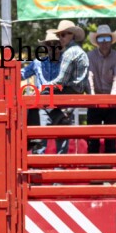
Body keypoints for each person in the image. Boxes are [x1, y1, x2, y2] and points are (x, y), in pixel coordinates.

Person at [41, 20, 89, 154]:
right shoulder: (80, 51)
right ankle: (61, 116)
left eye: (63, 35)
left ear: (72, 35)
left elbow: (61, 81)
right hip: (77, 91)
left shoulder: (69, 53)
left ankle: (59, 115)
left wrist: (44, 87)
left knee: (41, 97)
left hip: (69, 90)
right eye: (59, 35)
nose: (60, 38)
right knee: (62, 128)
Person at [21, 30, 62, 154]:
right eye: (49, 44)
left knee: (62, 142)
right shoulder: (38, 63)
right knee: (40, 142)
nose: (52, 47)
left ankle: (61, 166)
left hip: (61, 105)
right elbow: (21, 74)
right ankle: (37, 165)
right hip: (42, 106)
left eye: (55, 44)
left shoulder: (66, 63)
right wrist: (8, 69)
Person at [86, 25, 116, 153]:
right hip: (95, 101)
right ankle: (92, 163)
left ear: (111, 40)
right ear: (97, 41)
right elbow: (89, 76)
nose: (104, 42)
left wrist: (112, 99)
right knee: (92, 139)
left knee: (111, 139)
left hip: (112, 102)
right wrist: (92, 98)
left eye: (107, 38)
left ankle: (110, 164)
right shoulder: (90, 56)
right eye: (101, 39)